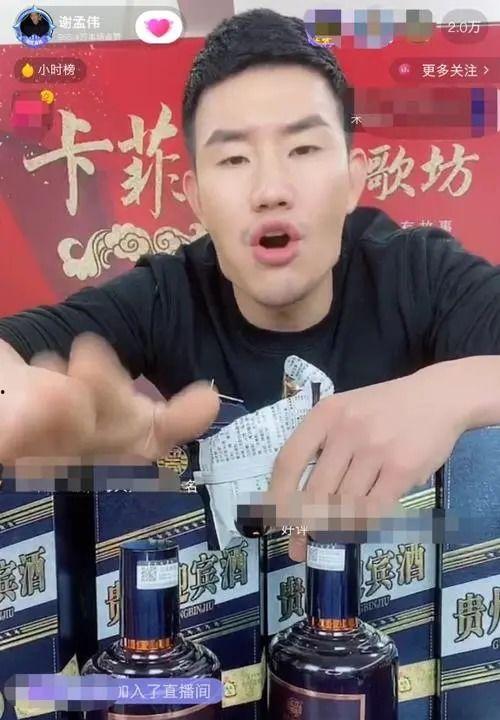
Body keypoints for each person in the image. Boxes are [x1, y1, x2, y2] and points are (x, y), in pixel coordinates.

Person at [1, 8, 500, 560]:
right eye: (235, 158)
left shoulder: (419, 273)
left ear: (353, 179)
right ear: (196, 198)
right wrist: (21, 408)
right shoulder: (169, 293)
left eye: (303, 149)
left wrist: (447, 393)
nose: (270, 190)